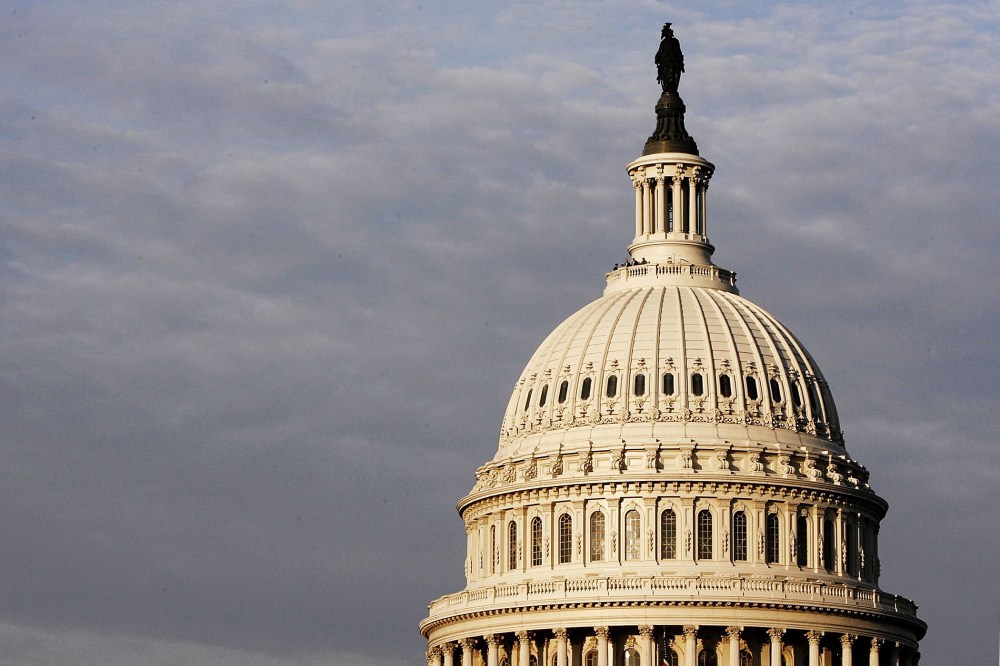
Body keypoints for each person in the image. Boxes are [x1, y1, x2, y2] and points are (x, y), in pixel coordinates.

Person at [655, 22, 684, 93]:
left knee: (673, 76)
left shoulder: (675, 41)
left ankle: (672, 89)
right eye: (669, 32)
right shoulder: (663, 42)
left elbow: (679, 52)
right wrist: (657, 58)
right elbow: (659, 52)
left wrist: (681, 62)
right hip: (665, 62)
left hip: (674, 62)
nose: (671, 33)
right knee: (666, 76)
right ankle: (667, 89)